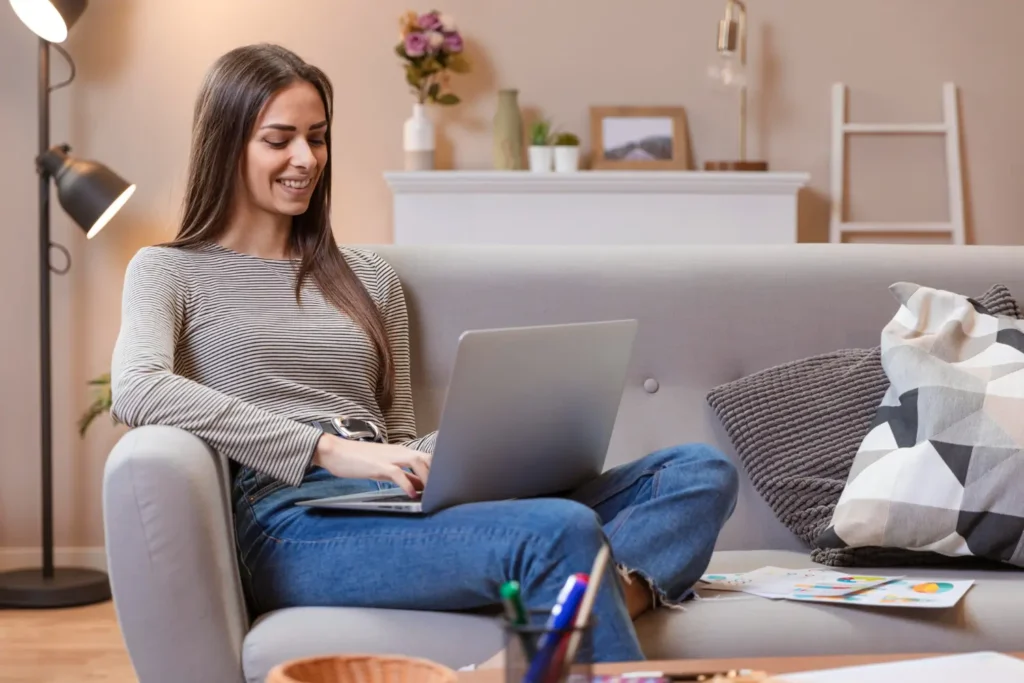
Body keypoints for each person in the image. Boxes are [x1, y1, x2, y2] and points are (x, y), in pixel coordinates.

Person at [109, 43, 739, 664]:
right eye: (279, 140)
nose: (306, 158)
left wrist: (485, 449)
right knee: (559, 531)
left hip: (396, 499)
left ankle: (565, 623)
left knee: (696, 472)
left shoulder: (367, 277)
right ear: (227, 146)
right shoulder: (169, 271)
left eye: (318, 137)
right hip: (291, 518)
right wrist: (330, 450)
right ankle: (572, 611)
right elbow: (135, 388)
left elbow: (400, 433)